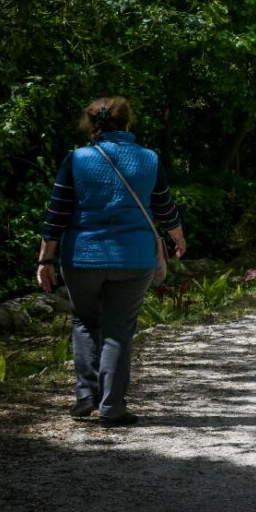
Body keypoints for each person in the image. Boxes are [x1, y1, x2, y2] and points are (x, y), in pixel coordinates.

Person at [35, 96, 185, 427]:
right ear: (128, 122)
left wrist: (45, 260)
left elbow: (57, 214)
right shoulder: (148, 159)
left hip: (82, 256)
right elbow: (164, 207)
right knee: (118, 331)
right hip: (133, 258)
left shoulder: (77, 159)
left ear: (91, 124)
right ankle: (112, 407)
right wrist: (178, 238)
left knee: (85, 321)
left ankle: (86, 394)